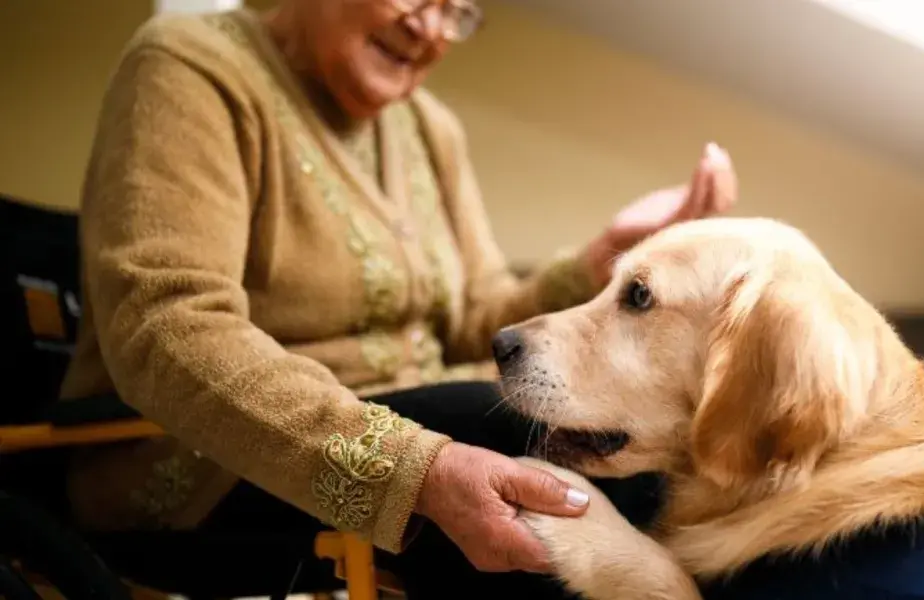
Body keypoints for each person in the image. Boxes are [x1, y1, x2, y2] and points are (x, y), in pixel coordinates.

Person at [58, 0, 737, 597]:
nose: (431, 28)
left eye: (458, 9)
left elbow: (479, 318)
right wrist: (414, 470)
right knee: (527, 440)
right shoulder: (189, 67)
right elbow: (162, 327)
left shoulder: (428, 128)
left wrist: (598, 258)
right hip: (206, 473)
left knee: (652, 459)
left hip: (424, 415)